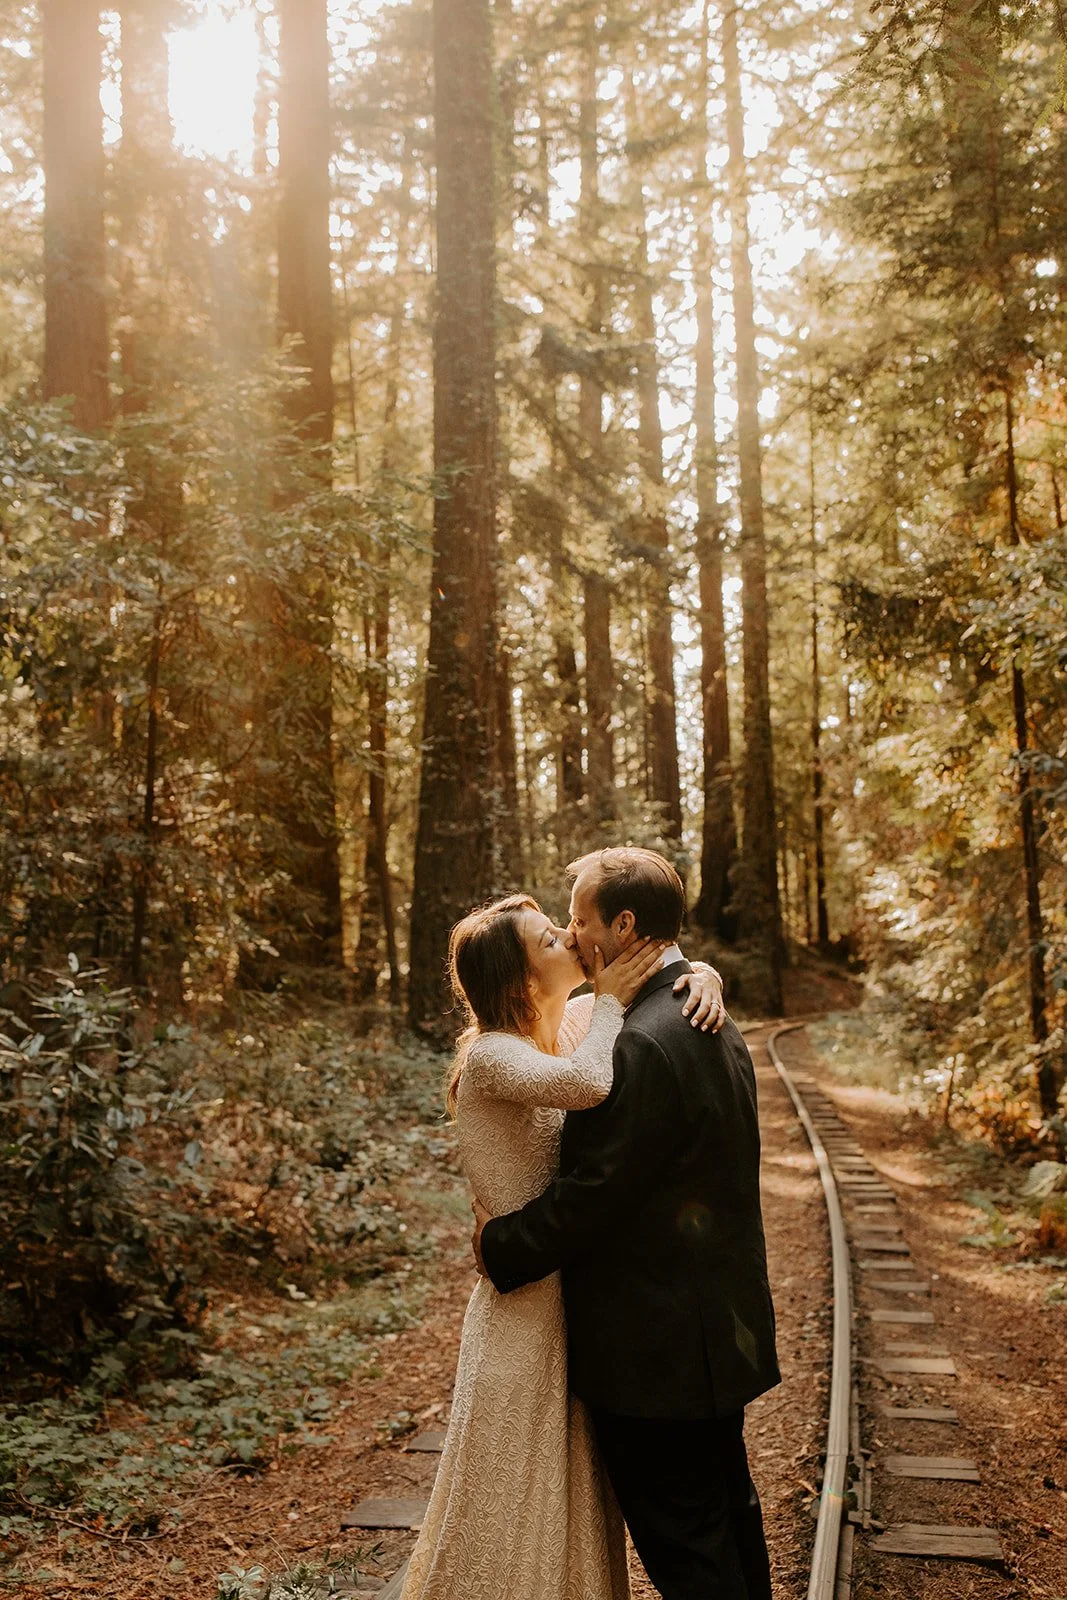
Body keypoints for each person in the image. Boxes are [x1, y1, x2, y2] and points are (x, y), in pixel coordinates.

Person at [399, 889, 725, 1600]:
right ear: (520, 980)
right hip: (520, 1317)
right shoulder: (493, 1055)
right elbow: (587, 1080)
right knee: (514, 1497)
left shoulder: (561, 1023)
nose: (570, 941)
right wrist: (608, 996)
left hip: (565, 1305)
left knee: (563, 1494)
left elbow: (644, 994)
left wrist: (700, 976)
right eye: (550, 940)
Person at [474, 848, 780, 1600]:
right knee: (729, 1520)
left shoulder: (641, 1039)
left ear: (623, 923)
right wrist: (700, 969)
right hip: (714, 1337)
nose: (572, 935)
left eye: (578, 919)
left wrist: (499, 1245)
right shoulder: (701, 1012)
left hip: (656, 1353)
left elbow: (595, 1193)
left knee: (688, 1549)